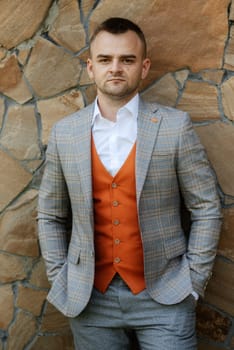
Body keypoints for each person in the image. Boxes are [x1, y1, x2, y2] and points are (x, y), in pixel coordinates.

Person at [38, 17, 222, 350]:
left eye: (127, 59)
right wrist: (61, 278)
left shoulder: (174, 127)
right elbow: (50, 215)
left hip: (165, 296)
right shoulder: (65, 134)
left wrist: (192, 282)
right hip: (90, 300)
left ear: (144, 66)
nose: (116, 68)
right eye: (106, 60)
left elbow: (206, 207)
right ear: (91, 68)